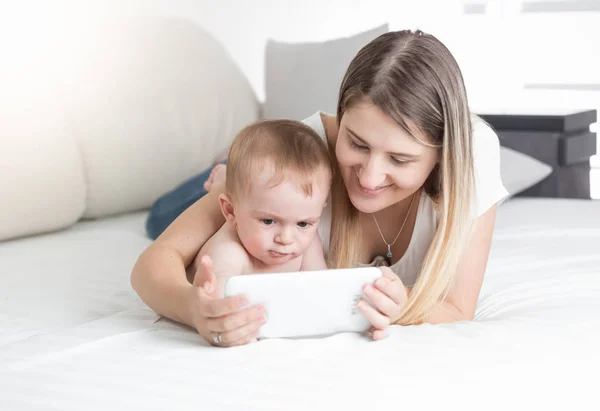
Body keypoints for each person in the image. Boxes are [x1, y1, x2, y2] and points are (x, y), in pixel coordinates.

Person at [131, 29, 508, 347]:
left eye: (400, 160)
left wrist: (402, 308)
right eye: (357, 144)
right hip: (248, 188)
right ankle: (220, 178)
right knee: (182, 207)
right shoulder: (298, 162)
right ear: (338, 119)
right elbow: (154, 262)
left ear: (440, 157)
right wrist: (192, 307)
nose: (369, 178)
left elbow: (458, 309)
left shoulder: (472, 158)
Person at [190, 119, 331, 306]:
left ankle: (225, 178)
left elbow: (324, 286)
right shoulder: (228, 251)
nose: (286, 238)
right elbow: (217, 302)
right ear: (230, 211)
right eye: (268, 221)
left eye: (303, 224)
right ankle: (219, 180)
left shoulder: (306, 242)